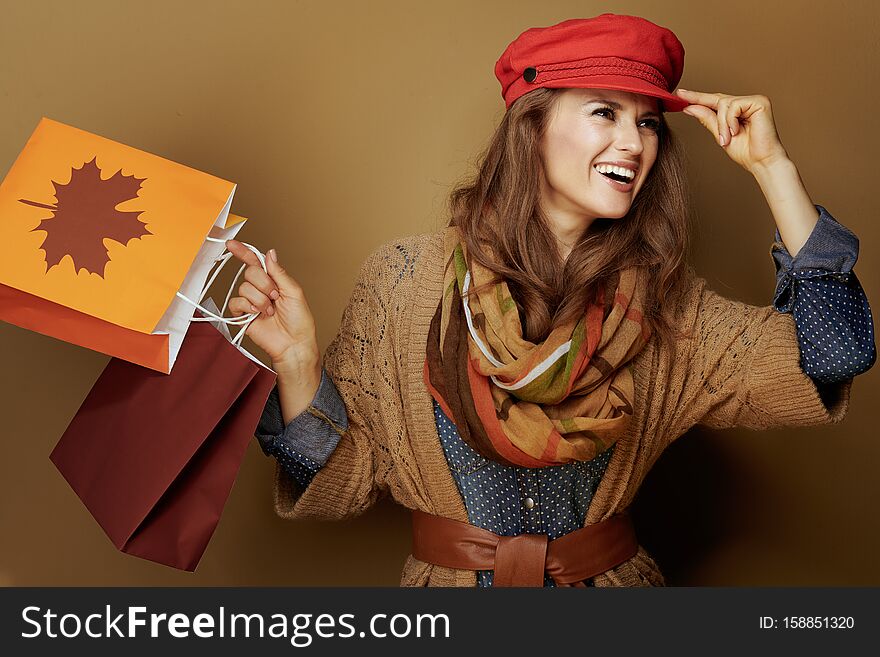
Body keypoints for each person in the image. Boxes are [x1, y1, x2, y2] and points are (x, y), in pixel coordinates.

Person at [224, 14, 875, 586]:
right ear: (531, 127)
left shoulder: (666, 307)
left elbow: (835, 355)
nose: (633, 142)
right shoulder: (403, 283)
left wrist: (773, 169)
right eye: (604, 112)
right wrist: (300, 363)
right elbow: (341, 485)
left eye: (647, 123)